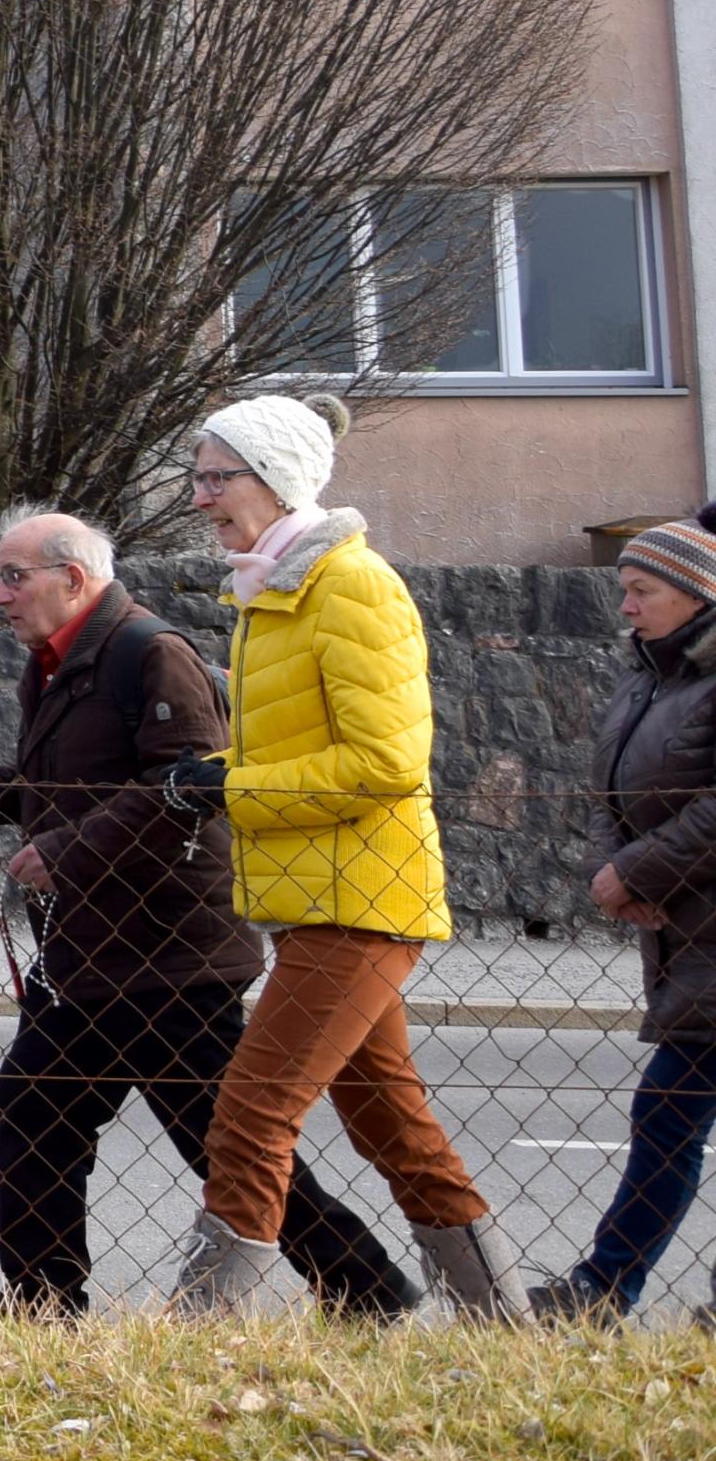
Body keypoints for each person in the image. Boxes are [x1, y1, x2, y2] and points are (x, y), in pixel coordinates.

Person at [0, 509, 414, 1317]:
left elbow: (187, 787)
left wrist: (69, 848)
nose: (0, 595)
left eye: (13, 576)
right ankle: (42, 1304)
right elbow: (87, 778)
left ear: (73, 579)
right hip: (92, 951)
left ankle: (366, 1287)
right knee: (37, 1106)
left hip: (169, 951)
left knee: (220, 1138)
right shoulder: (57, 660)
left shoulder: (150, 651)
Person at [158, 392, 524, 1319]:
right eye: (197, 477)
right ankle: (506, 1326)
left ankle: (200, 1326)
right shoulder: (273, 589)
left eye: (216, 477)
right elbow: (299, 746)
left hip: (362, 900)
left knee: (250, 1110)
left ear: (276, 480)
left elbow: (385, 764)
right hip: (321, 897)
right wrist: (216, 771)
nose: (199, 497)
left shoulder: (352, 585)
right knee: (389, 1121)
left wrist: (234, 789)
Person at [531, 517, 716, 1320]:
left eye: (643, 590)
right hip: (684, 930)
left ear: (698, 595)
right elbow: (607, 788)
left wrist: (636, 869)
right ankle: (603, 1289)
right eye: (625, 590)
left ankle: (602, 1289)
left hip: (700, 930)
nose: (628, 607)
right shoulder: (649, 675)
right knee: (670, 1115)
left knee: (667, 1112)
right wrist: (613, 873)